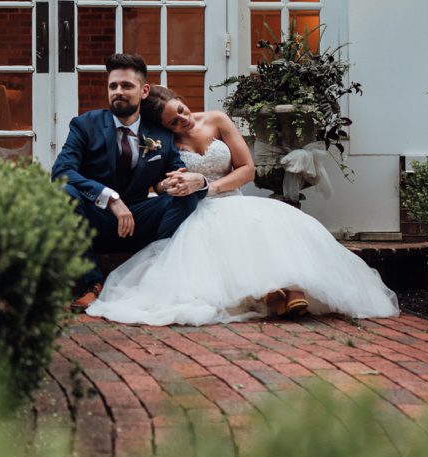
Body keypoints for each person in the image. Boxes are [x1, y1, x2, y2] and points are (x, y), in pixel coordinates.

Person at [86, 86, 399, 325]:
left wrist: (210, 186)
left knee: (268, 227)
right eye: (174, 122)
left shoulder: (217, 120)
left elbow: (247, 168)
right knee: (219, 238)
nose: (183, 119)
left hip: (229, 197)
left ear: (181, 99)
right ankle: (273, 294)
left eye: (181, 110)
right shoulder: (163, 143)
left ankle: (287, 291)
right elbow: (153, 181)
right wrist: (166, 185)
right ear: (164, 127)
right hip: (197, 209)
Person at [51, 54, 208, 313]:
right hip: (95, 220)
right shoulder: (85, 125)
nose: (118, 92)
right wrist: (110, 198)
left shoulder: (160, 134)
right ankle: (92, 284)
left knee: (185, 196)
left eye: (126, 86)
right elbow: (62, 171)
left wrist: (189, 182)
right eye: (113, 86)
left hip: (138, 220)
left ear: (144, 90)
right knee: (65, 192)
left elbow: (169, 177)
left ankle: (155, 276)